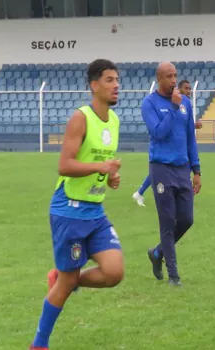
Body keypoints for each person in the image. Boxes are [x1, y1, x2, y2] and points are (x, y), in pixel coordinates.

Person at [29, 59, 125, 350]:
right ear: (94, 85)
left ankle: (64, 279)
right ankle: (39, 344)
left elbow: (99, 166)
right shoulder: (80, 118)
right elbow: (65, 165)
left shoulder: (116, 121)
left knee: (114, 272)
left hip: (95, 210)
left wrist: (110, 177)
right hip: (69, 210)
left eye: (117, 80)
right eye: (109, 80)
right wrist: (102, 166)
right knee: (67, 283)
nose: (116, 85)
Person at [141, 62, 201, 286]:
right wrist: (173, 108)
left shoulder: (186, 103)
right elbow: (158, 133)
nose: (174, 80)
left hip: (182, 168)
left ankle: (157, 253)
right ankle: (174, 276)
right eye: (169, 76)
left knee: (186, 219)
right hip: (161, 169)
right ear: (159, 79)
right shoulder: (149, 103)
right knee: (167, 221)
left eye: (175, 75)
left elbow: (190, 139)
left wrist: (197, 170)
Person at [132, 79, 202, 207]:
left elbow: (182, 126)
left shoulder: (185, 104)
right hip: (164, 158)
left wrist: (193, 126)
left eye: (190, 89)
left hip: (181, 154)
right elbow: (162, 129)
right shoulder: (157, 103)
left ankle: (140, 192)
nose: (189, 91)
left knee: (186, 217)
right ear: (179, 89)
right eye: (186, 88)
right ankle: (140, 192)